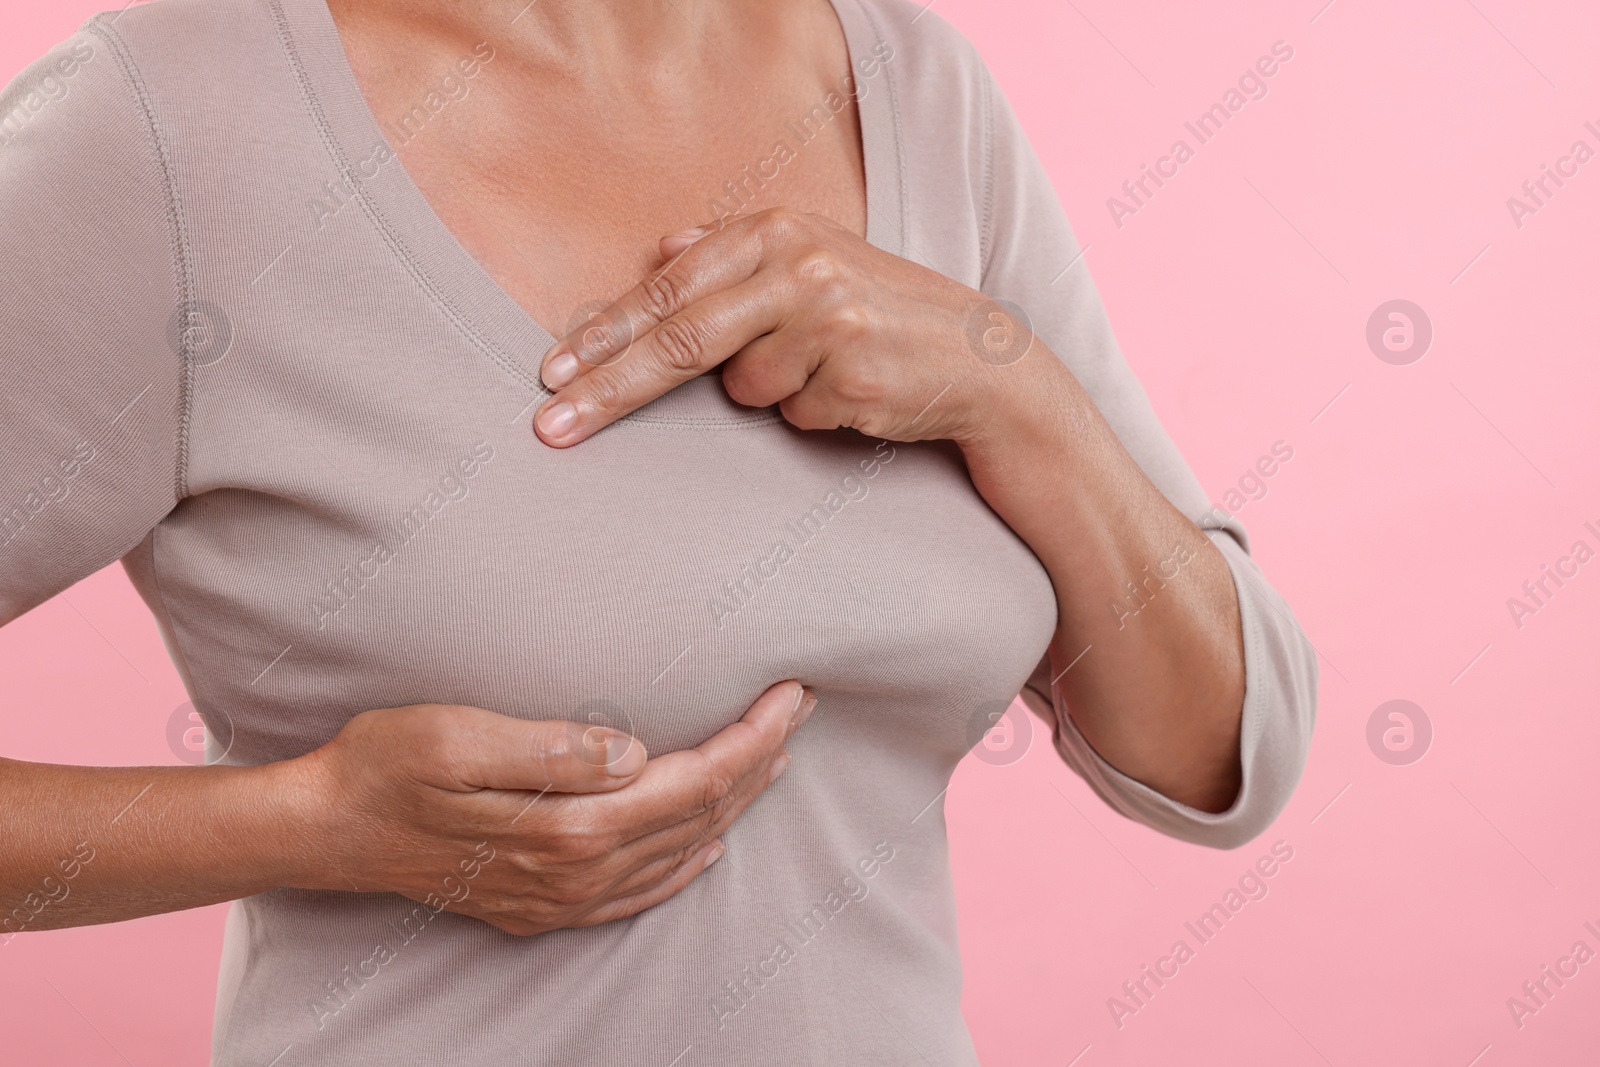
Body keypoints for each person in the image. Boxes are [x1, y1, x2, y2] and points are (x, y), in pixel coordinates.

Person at [0, 0, 1317, 1062]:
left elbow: (1224, 757)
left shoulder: (910, 81)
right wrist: (315, 822)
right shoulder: (169, 125)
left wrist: (1009, 387)